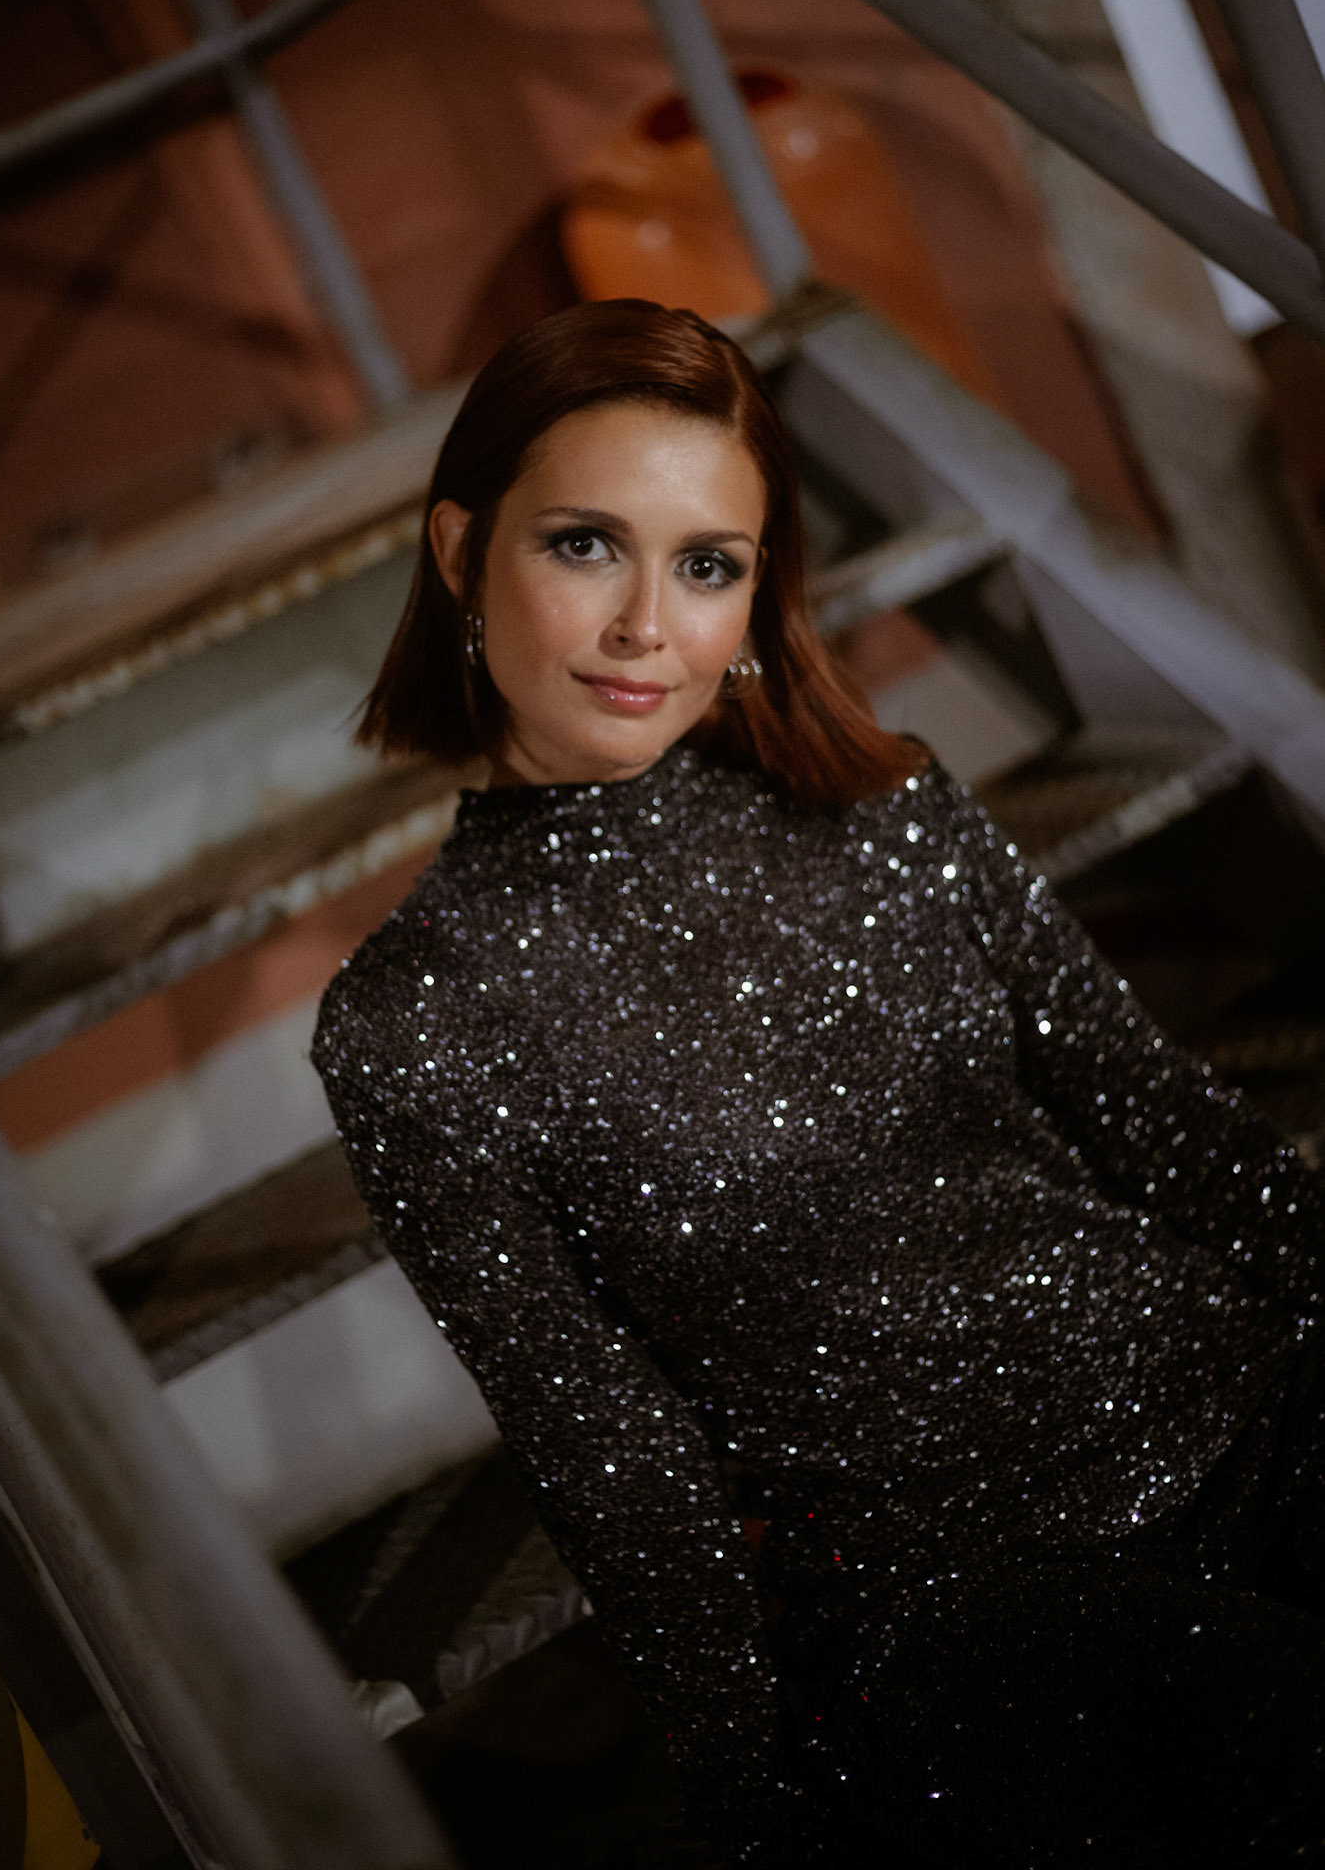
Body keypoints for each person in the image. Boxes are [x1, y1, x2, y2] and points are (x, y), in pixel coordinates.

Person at [312, 299, 1325, 1868]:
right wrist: (751, 1796)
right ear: (461, 554)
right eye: (584, 546)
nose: (645, 625)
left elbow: (1162, 1123)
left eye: (705, 564)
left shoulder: (888, 809)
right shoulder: (413, 1025)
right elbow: (611, 1459)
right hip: (964, 1587)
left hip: (1231, 1398)